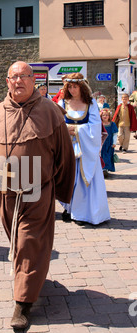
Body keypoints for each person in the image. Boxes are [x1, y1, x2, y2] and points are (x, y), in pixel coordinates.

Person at [0, 61, 75, 330]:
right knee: (17, 241)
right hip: (6, 191)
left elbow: (64, 154)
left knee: (28, 242)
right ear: (7, 81)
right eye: (13, 77)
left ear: (33, 80)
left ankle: (22, 304)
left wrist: (62, 192)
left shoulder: (50, 111)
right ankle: (31, 276)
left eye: (24, 76)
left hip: (37, 191)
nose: (18, 82)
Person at [58, 73, 110, 226]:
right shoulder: (63, 103)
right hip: (68, 147)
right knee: (69, 179)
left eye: (75, 87)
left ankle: (84, 214)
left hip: (85, 149)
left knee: (84, 181)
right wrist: (66, 128)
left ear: (82, 87)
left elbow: (95, 126)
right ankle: (69, 209)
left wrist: (76, 129)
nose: (73, 90)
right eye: (70, 87)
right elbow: (58, 122)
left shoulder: (91, 103)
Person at [100, 109, 118, 175]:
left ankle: (106, 169)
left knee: (108, 155)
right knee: (102, 155)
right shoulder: (99, 124)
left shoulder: (112, 124)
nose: (105, 116)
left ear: (109, 116)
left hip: (109, 143)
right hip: (101, 143)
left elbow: (115, 134)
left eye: (107, 115)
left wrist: (114, 143)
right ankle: (103, 169)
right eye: (103, 115)